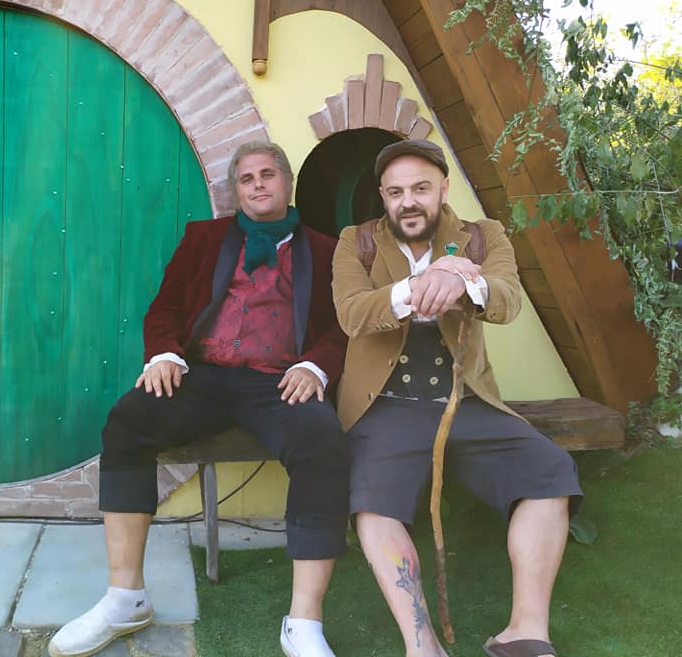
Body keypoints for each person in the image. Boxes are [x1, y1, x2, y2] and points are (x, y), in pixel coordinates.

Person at [49, 141, 350, 657]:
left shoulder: (326, 250)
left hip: (279, 380)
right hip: (203, 375)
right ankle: (125, 598)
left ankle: (304, 622)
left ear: (286, 182)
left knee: (322, 440)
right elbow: (164, 308)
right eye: (247, 178)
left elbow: (344, 325)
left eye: (268, 174)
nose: (258, 184)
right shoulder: (204, 238)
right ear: (235, 191)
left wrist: (315, 365)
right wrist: (165, 354)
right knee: (128, 421)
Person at [331, 139, 583, 657]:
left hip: (464, 399)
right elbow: (352, 313)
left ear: (443, 189)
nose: (408, 202)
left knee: (549, 471)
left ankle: (526, 632)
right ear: (383, 196)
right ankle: (423, 645)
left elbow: (508, 299)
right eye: (395, 192)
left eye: (420, 189)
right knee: (372, 501)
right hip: (385, 404)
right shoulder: (356, 241)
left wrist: (466, 282)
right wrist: (425, 282)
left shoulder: (483, 236)